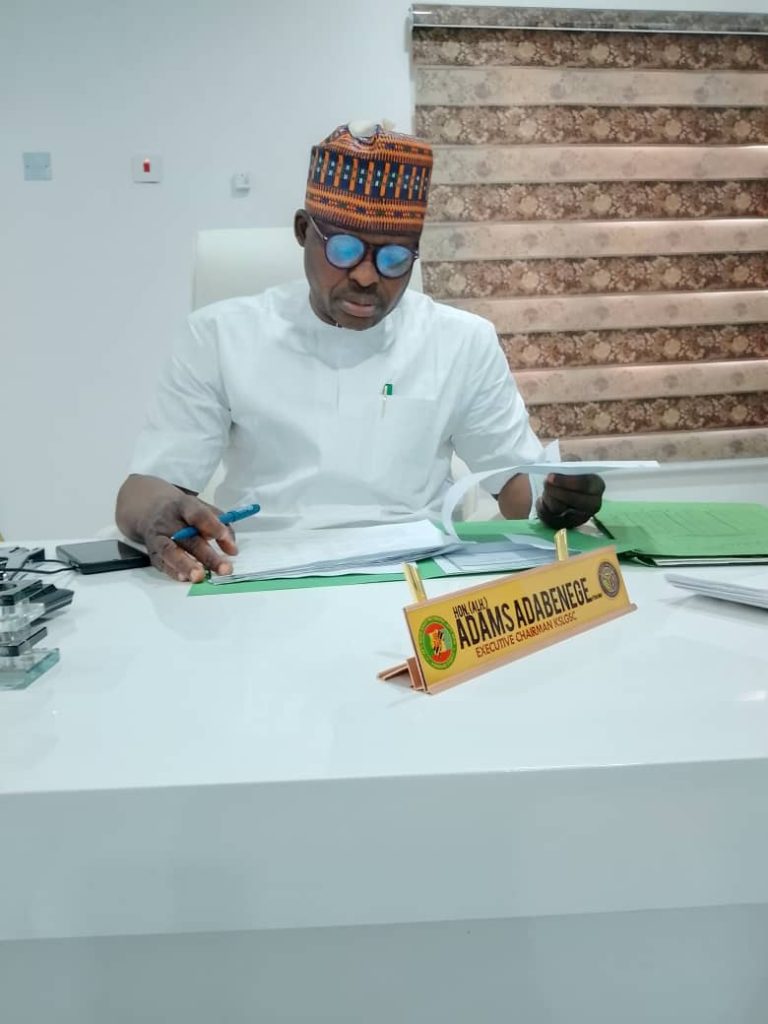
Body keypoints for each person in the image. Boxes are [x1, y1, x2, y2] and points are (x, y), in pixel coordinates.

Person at [116, 121, 604, 582]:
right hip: (265, 573)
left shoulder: (462, 341)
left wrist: (558, 501)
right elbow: (143, 490)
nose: (367, 277)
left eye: (393, 258)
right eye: (345, 250)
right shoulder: (219, 336)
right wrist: (157, 511)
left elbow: (517, 487)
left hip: (418, 578)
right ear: (303, 232)